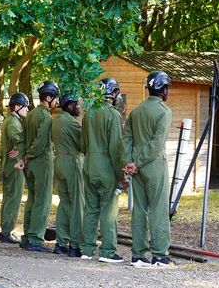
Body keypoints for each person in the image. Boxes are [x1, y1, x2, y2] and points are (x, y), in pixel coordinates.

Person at [123, 71, 174, 268]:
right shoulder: (164, 112)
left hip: (136, 169)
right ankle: (160, 255)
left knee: (139, 210)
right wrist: (138, 162)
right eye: (167, 87)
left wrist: (130, 162)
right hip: (153, 166)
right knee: (159, 210)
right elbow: (156, 143)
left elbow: (126, 139)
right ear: (163, 89)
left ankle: (138, 254)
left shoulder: (136, 112)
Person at [81, 77, 128, 263]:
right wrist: (121, 175)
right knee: (108, 210)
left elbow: (83, 143)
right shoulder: (113, 115)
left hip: (89, 165)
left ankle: (87, 249)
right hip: (107, 168)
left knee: (90, 208)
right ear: (114, 93)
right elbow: (116, 149)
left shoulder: (88, 113)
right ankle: (107, 251)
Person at [21, 81, 59, 252]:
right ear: (49, 98)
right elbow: (40, 142)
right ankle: (35, 239)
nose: (57, 102)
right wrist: (29, 155)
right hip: (41, 162)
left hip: (29, 164)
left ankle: (27, 236)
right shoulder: (46, 117)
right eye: (55, 98)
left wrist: (24, 157)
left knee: (32, 199)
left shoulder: (30, 114)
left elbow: (23, 139)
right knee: (42, 201)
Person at [52, 92, 84, 257]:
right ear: (70, 106)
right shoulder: (71, 122)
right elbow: (83, 144)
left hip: (59, 161)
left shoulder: (56, 119)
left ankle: (61, 242)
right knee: (77, 203)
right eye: (77, 104)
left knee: (64, 203)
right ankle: (75, 244)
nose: (80, 107)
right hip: (72, 162)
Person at [0, 92, 29, 244]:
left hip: (9, 164)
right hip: (14, 165)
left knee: (8, 197)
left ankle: (5, 229)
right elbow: (15, 137)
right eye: (25, 107)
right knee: (13, 198)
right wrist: (20, 149)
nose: (27, 110)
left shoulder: (10, 120)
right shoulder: (13, 122)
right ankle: (7, 231)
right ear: (17, 107)